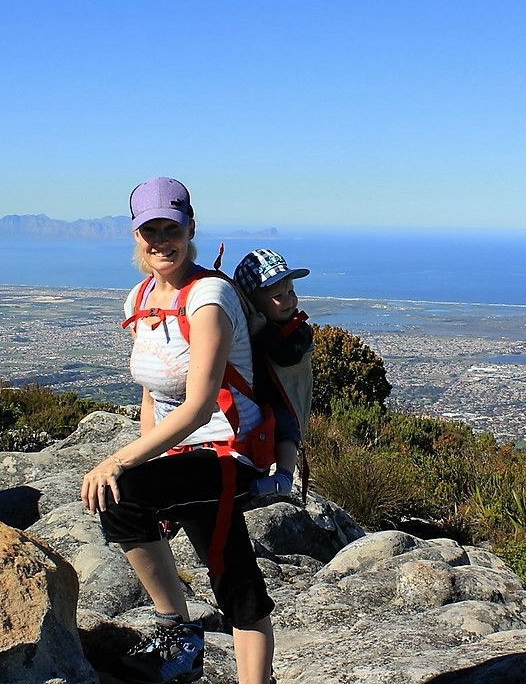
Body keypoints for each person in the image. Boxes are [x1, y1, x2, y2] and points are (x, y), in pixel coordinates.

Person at [81, 177, 275, 684]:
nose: (161, 241)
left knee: (122, 494)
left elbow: (198, 407)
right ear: (136, 234)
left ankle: (181, 638)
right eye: (150, 230)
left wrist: (121, 461)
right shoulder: (139, 298)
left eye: (171, 228)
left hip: (228, 450)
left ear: (191, 229)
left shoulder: (209, 297)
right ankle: (201, 649)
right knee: (233, 573)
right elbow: (152, 397)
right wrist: (154, 461)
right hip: (185, 456)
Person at [234, 248, 313, 497]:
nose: (289, 300)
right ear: (252, 301)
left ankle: (284, 476)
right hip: (253, 398)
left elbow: (289, 356)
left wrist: (263, 331)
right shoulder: (243, 324)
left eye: (291, 292)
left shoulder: (299, 329)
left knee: (286, 429)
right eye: (278, 296)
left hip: (281, 400)